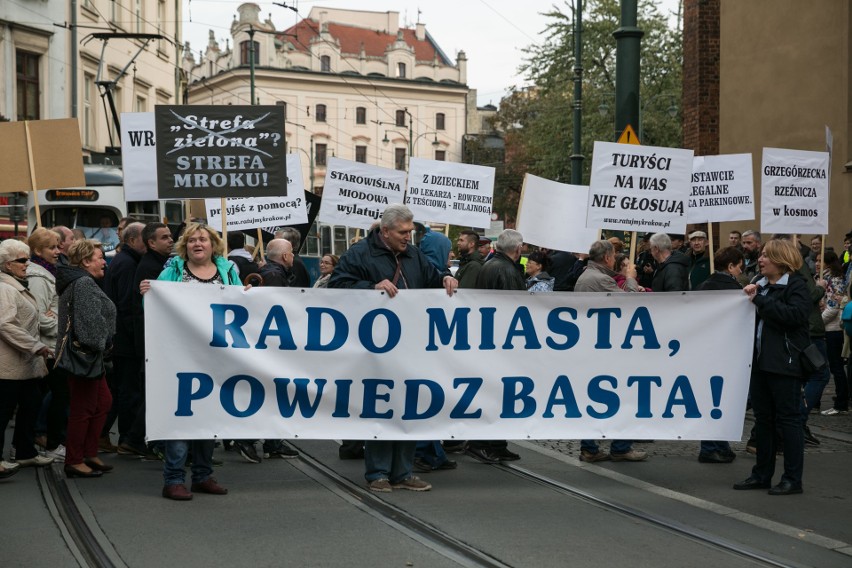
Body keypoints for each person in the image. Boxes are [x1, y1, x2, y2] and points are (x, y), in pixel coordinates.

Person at [328, 204, 457, 492]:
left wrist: (445, 278)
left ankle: (404, 472)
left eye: (410, 231)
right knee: (384, 408)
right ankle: (378, 473)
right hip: (377, 348)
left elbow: (431, 277)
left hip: (412, 346)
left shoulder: (413, 254)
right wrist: (370, 287)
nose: (408, 237)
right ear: (385, 232)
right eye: (402, 232)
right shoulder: (359, 254)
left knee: (409, 408)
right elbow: (337, 287)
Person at [140, 222, 238, 500]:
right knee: (181, 416)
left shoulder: (228, 271)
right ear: (186, 246)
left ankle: (202, 476)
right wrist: (149, 293)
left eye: (203, 240)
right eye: (192, 240)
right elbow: (153, 309)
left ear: (213, 244)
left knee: (208, 416)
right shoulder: (172, 271)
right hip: (177, 356)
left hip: (215, 357)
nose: (198, 244)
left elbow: (243, 309)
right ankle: (173, 479)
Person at [734, 239, 810, 496]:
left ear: (781, 260)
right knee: (763, 420)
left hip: (785, 364)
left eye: (766, 255)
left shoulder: (797, 286)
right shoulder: (760, 284)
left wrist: (760, 301)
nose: (761, 259)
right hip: (759, 363)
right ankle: (761, 474)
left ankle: (792, 479)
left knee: (789, 421)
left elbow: (794, 317)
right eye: (762, 255)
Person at [574, 240, 647, 463]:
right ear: (606, 257)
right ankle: (620, 447)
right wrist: (631, 277)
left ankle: (590, 447)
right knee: (622, 396)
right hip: (607, 348)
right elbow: (629, 305)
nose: (615, 259)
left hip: (594, 346)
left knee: (593, 398)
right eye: (613, 255)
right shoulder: (601, 278)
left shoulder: (587, 276)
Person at [464, 229, 527, 464]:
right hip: (502, 342)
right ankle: (482, 443)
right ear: (518, 249)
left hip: (491, 338)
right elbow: (515, 307)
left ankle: (497, 443)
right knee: (497, 394)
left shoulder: (490, 265)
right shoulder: (507, 270)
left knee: (497, 393)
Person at [55, 239, 116, 478]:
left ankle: (89, 452)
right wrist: (104, 344)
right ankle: (74, 459)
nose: (104, 262)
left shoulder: (81, 281)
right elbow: (89, 323)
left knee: (103, 403)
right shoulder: (83, 283)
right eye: (100, 258)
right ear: (85, 261)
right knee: (85, 408)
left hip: (90, 357)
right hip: (86, 356)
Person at [120, 222, 174, 459]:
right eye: (165, 237)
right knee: (154, 392)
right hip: (151, 340)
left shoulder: (157, 263)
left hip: (152, 339)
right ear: (151, 243)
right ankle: (135, 438)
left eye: (171, 236)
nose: (171, 240)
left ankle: (139, 438)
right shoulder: (150, 267)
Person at [0, 240, 54, 469]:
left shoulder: (17, 284)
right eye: (22, 260)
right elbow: (4, 324)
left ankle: (25, 451)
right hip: (9, 364)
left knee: (31, 404)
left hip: (24, 364)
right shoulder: (5, 288)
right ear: (7, 265)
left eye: (27, 259)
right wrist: (35, 345)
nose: (27, 264)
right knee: (3, 412)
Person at [695, 246, 744, 463]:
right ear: (731, 266)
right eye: (739, 268)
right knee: (720, 398)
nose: (741, 272)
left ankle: (720, 445)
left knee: (713, 397)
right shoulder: (735, 289)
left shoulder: (704, 285)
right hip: (727, 350)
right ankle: (710, 448)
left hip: (706, 350)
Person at [102, 222, 146, 453]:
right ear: (131, 240)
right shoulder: (129, 264)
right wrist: (136, 338)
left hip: (120, 336)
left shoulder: (123, 260)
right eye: (144, 238)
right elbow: (128, 305)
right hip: (126, 339)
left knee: (123, 390)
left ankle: (108, 435)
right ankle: (127, 438)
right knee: (128, 390)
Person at [26, 228, 66, 462]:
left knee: (44, 395)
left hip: (50, 344)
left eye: (58, 246)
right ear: (38, 251)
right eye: (52, 247)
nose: (57, 252)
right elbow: (40, 315)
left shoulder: (47, 273)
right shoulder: (39, 277)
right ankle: (51, 443)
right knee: (59, 394)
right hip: (48, 346)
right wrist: (60, 326)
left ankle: (32, 442)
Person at [817, 250, 848, 415]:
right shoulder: (827, 277)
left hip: (833, 328)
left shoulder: (833, 279)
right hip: (831, 327)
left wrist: (818, 323)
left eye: (819, 260)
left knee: (836, 367)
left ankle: (841, 403)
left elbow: (833, 307)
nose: (816, 263)